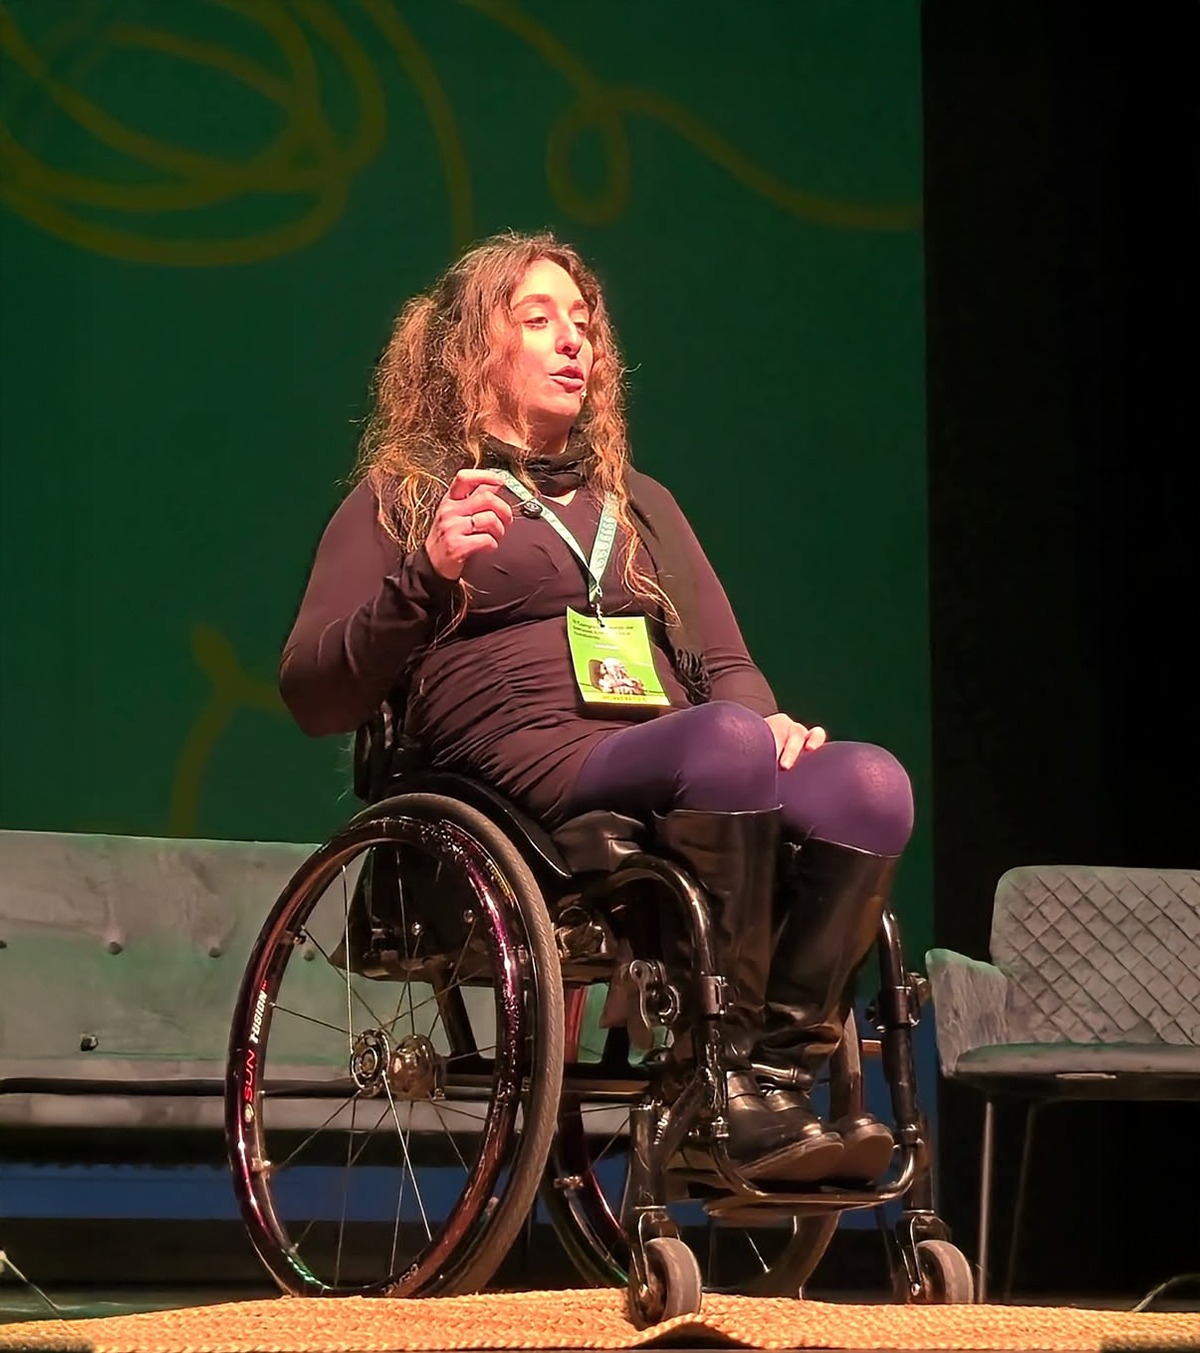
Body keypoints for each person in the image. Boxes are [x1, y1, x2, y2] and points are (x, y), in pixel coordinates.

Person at [279, 230, 914, 1186]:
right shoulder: (407, 495)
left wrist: (769, 721)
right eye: (538, 320)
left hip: (685, 750)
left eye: (582, 322)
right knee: (726, 743)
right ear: (468, 350)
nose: (574, 340)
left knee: (869, 785)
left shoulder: (639, 503)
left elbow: (726, 665)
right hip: (521, 767)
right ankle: (716, 1085)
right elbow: (312, 691)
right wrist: (426, 574)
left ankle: (769, 1081)